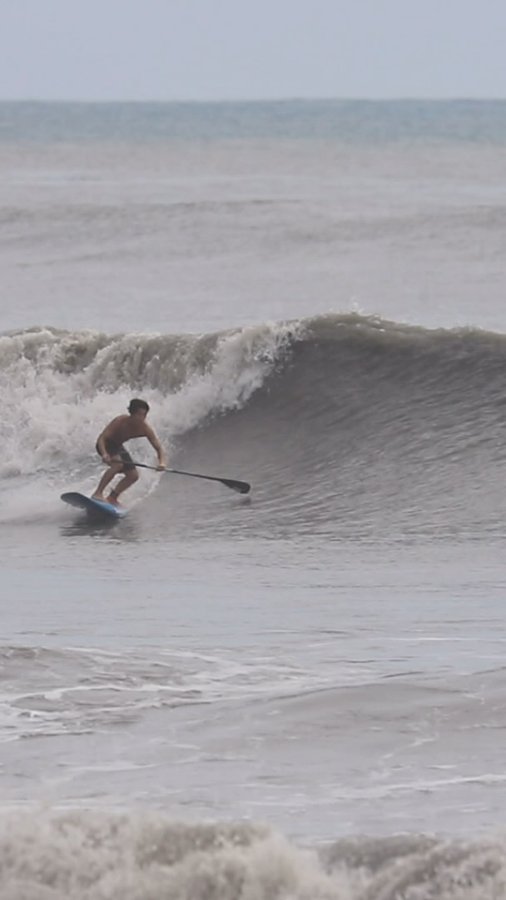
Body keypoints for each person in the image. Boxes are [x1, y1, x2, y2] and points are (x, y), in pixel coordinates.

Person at [92, 398, 167, 505]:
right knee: (118, 465)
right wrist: (104, 454)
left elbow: (159, 449)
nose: (142, 418)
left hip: (118, 447)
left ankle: (112, 497)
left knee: (133, 475)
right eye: (139, 415)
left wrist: (162, 463)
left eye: (144, 415)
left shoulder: (145, 429)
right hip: (105, 444)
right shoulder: (120, 421)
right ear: (132, 414)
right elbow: (101, 438)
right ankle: (98, 493)